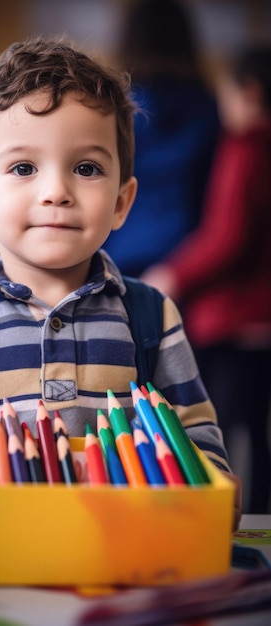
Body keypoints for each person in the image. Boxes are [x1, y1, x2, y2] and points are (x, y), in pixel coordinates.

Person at [0, 35, 241, 559]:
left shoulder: (150, 315)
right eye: (23, 168)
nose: (56, 190)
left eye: (86, 168)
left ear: (122, 202)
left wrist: (211, 482)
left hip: (121, 559)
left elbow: (193, 427)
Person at [141, 46, 271, 513]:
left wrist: (173, 273)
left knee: (228, 432)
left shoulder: (245, 146)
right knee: (256, 429)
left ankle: (236, 524)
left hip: (235, 320)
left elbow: (227, 236)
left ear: (249, 93)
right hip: (261, 321)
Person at [103, 0, 220, 277]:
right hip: (185, 261)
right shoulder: (209, 109)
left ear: (128, 40)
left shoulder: (117, 110)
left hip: (118, 253)